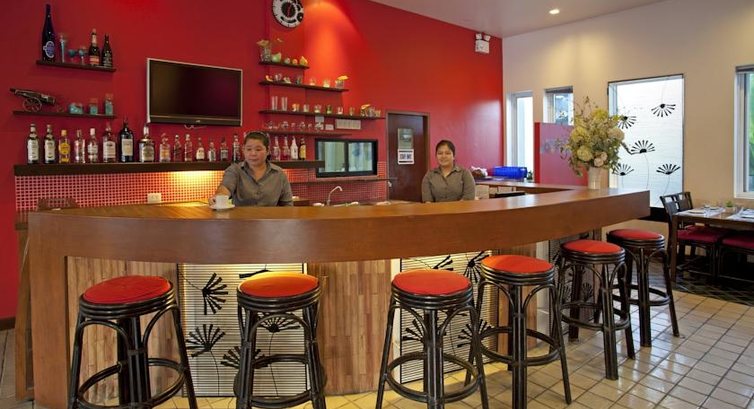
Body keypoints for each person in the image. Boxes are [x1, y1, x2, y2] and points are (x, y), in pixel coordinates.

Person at [209, 131, 293, 207]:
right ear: (243, 150)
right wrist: (218, 197)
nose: (253, 153)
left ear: (267, 151)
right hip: (241, 219)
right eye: (249, 149)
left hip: (270, 219)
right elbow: (225, 187)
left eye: (258, 149)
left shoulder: (279, 174)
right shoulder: (235, 170)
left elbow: (287, 205)